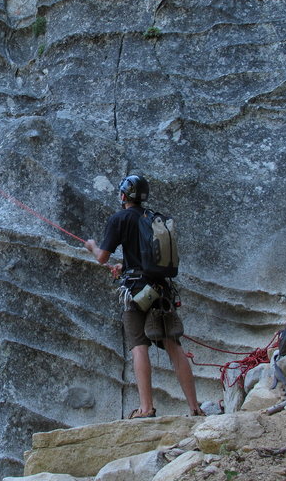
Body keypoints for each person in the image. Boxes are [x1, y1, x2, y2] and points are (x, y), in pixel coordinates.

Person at [85, 174, 203, 418]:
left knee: (139, 347)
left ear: (123, 195)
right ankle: (195, 407)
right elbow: (146, 255)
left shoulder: (120, 218)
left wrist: (92, 246)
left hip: (137, 292)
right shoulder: (153, 218)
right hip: (161, 289)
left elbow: (102, 257)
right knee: (173, 345)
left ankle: (146, 408)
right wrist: (124, 266)